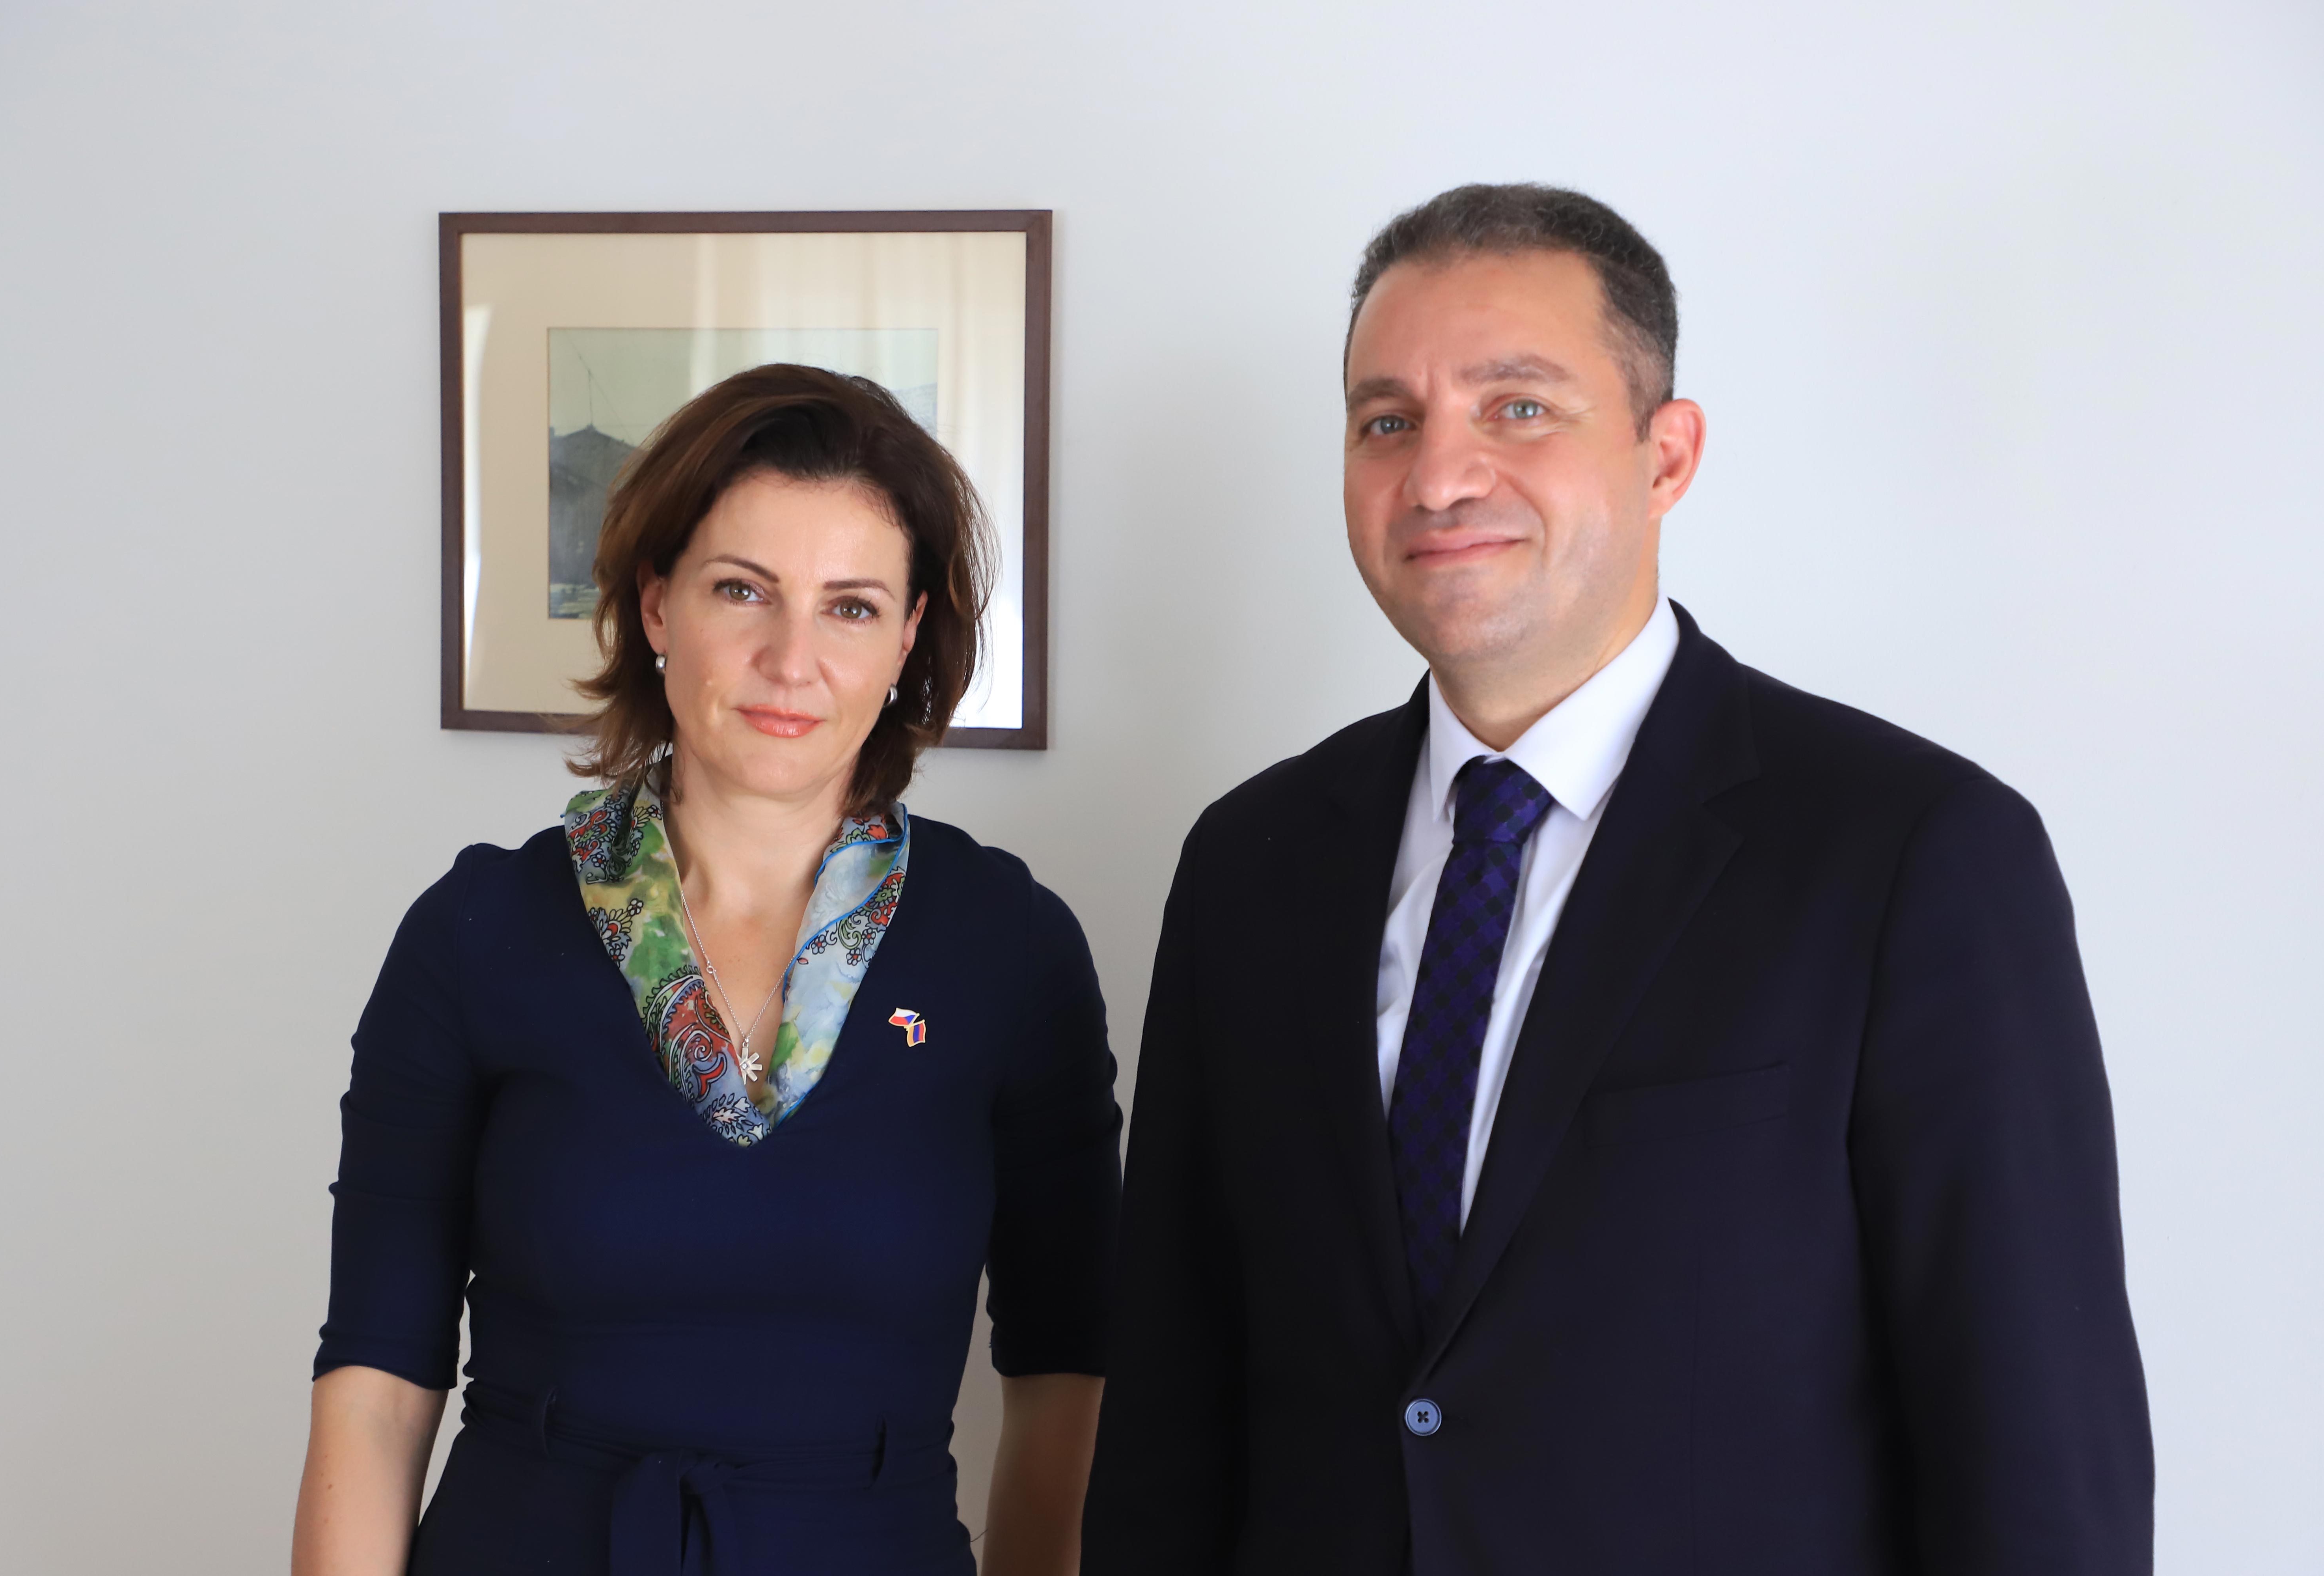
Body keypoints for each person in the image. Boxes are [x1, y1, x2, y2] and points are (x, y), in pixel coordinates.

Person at [1082, 185, 2152, 1574]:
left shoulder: (1912, 854)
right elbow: (1172, 1412)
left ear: (1666, 455)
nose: (1439, 477)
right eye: (1386, 421)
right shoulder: (1250, 861)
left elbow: (2035, 1454)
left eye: (1518, 408)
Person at [293, 365, 1120, 1576]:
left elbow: (1063, 1377)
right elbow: (376, 1385)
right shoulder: (477, 932)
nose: (792, 659)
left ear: (906, 637)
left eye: (849, 607)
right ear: (657, 605)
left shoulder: (1010, 949)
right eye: (743, 590)